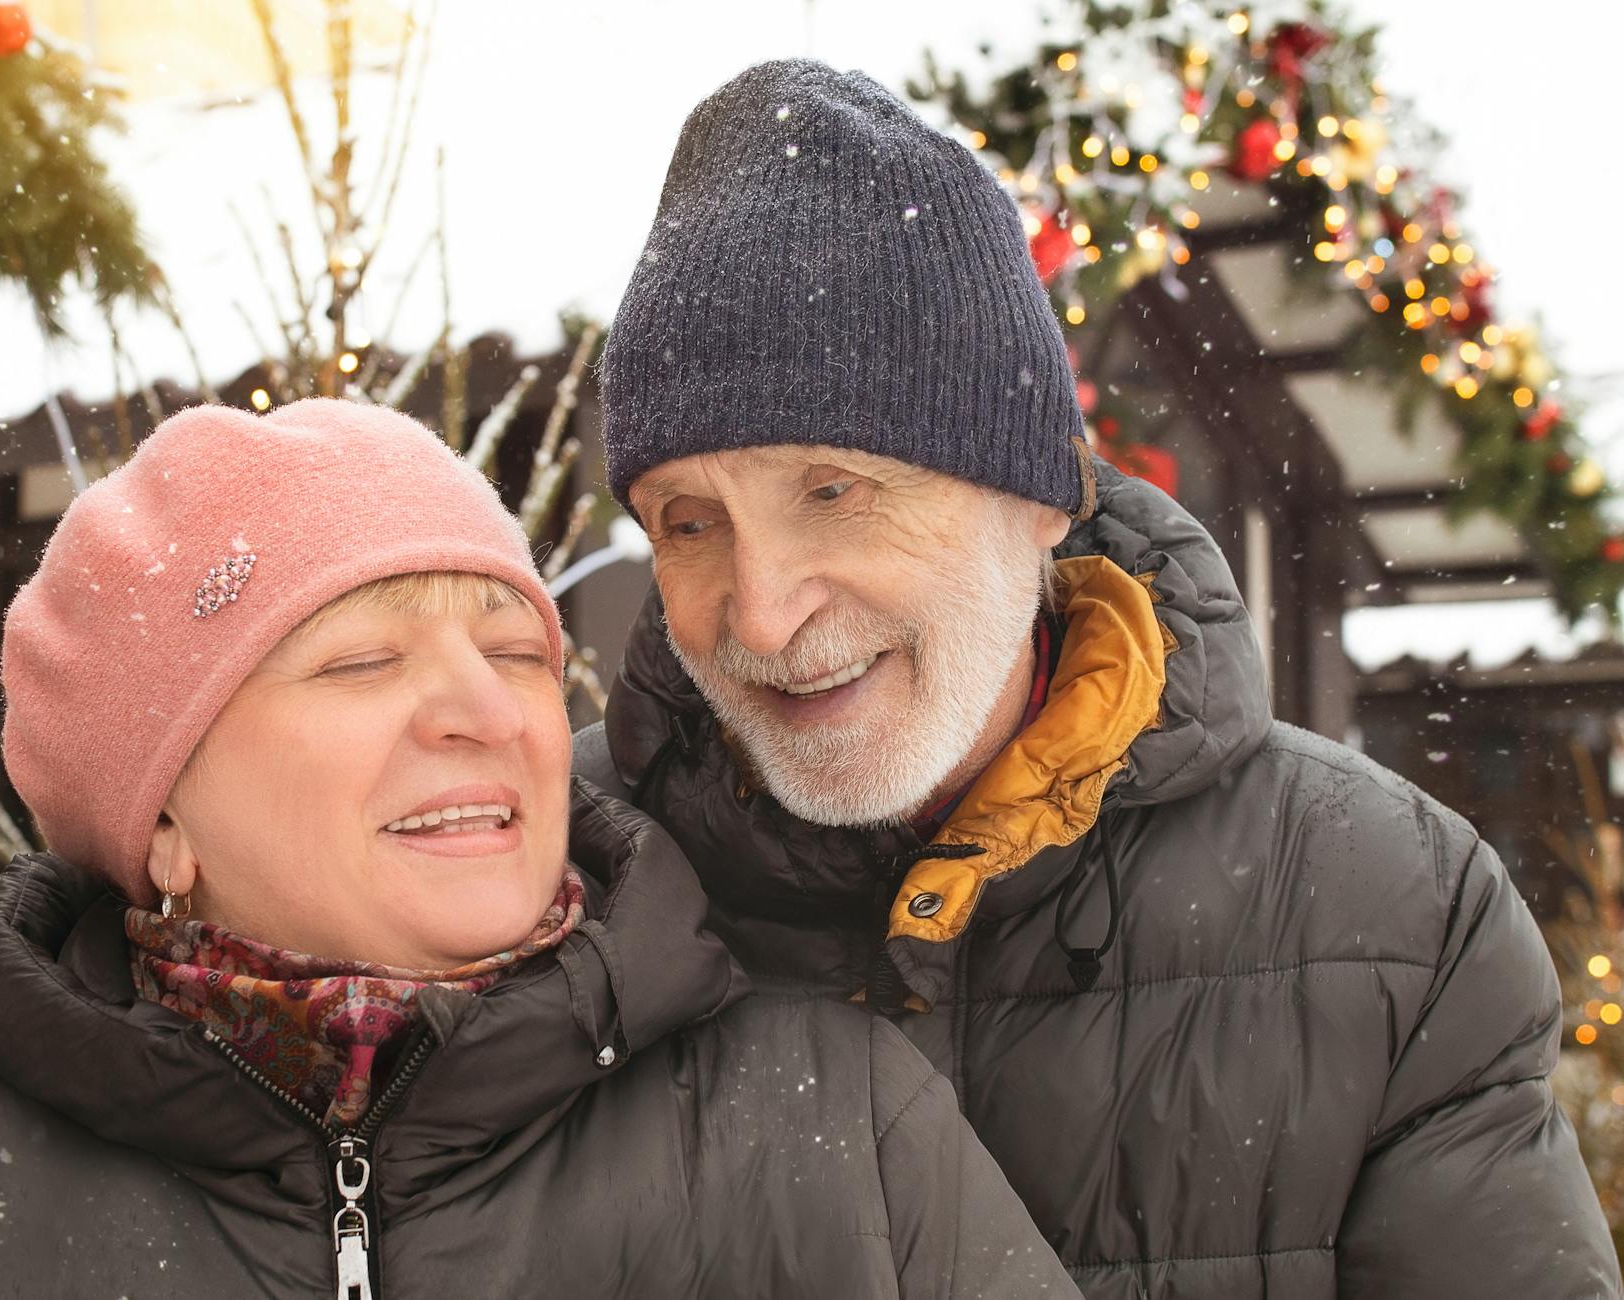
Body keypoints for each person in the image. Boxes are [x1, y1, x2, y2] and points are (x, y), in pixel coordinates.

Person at [576, 58, 1622, 1299]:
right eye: (689, 521)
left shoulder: (1395, 916)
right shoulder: (554, 885)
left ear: (1038, 498)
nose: (762, 607)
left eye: (833, 491)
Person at [0, 397, 1077, 1299]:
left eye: (511, 651)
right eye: (359, 661)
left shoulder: (833, 1130)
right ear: (163, 822)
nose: (483, 711)